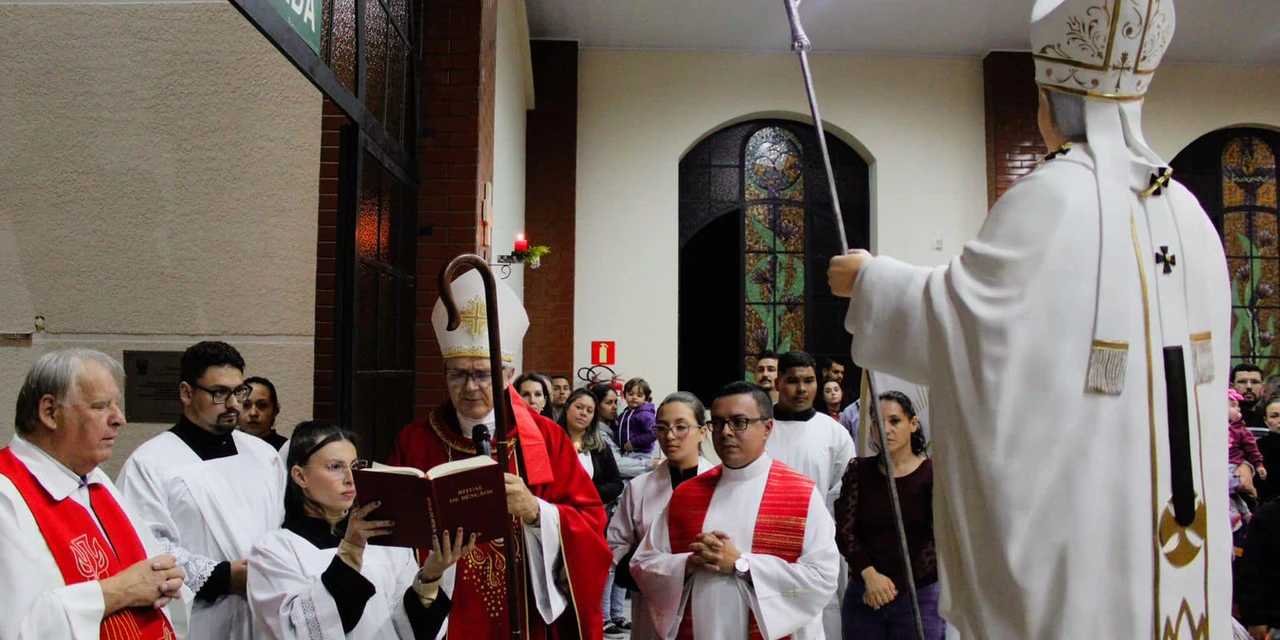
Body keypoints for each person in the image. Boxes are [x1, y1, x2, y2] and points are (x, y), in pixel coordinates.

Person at [826, 1, 1230, 636]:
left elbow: (966, 325)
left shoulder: (1052, 197)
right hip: (1175, 519)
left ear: (1051, 103)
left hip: (1083, 525)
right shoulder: (1186, 209)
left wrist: (870, 282)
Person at [387, 268, 611, 639]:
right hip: (444, 616)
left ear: (507, 375)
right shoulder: (416, 441)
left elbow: (592, 526)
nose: (470, 387)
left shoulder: (546, 439)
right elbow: (393, 534)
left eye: (482, 374)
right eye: (457, 375)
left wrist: (538, 512)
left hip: (524, 615)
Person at [0, 349, 190, 639]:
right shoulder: (7, 494)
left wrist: (168, 580)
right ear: (50, 412)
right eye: (101, 406)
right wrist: (119, 591)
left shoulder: (94, 479)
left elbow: (151, 571)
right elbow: (19, 626)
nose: (119, 419)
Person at [631, 381, 839, 639]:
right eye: (717, 423)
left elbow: (823, 577)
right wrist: (687, 563)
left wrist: (742, 564)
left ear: (767, 428)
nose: (725, 432)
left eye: (739, 422)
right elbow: (643, 564)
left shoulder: (801, 494)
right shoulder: (686, 495)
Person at [118, 341, 287, 640]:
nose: (234, 404)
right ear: (186, 392)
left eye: (239, 391)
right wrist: (222, 577)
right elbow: (142, 545)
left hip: (262, 616)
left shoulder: (265, 456)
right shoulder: (151, 463)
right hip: (198, 619)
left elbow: (281, 527)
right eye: (220, 393)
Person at [248, 421, 469, 639]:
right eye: (335, 467)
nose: (350, 478)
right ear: (300, 476)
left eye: (355, 466)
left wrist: (431, 575)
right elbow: (301, 632)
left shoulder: (387, 544)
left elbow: (409, 631)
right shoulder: (273, 551)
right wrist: (351, 549)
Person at [835, 392, 944, 640]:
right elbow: (845, 531)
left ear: (913, 424)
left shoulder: (934, 476)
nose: (885, 429)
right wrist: (870, 576)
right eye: (877, 422)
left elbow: (937, 537)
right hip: (865, 591)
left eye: (894, 421)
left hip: (919, 595)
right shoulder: (859, 471)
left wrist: (892, 586)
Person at [762, 350, 855, 638]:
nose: (802, 389)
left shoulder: (834, 432)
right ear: (778, 383)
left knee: (821, 625)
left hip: (818, 545)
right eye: (792, 381)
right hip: (766, 543)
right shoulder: (761, 429)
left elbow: (845, 492)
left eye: (809, 380)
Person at [606, 392, 713, 640]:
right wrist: (648, 570)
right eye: (662, 428)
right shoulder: (640, 487)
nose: (670, 436)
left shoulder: (721, 485)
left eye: (681, 427)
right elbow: (616, 546)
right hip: (652, 603)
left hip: (706, 600)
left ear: (703, 432)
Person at [558, 388, 625, 635]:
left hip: (590, 523)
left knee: (586, 587)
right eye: (579, 407)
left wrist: (587, 495)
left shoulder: (597, 445)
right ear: (567, 408)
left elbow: (616, 483)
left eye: (589, 410)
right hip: (559, 521)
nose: (583, 414)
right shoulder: (552, 439)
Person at [1231, 388, 1268, 497]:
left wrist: (1258, 464)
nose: (1238, 409)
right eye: (1233, 406)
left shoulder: (1241, 430)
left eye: (1238, 406)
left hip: (1235, 466)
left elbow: (1252, 449)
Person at [242, 375, 288, 450]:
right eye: (246, 405)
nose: (253, 413)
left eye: (262, 405)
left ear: (275, 411)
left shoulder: (286, 450)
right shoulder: (225, 448)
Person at [617, 377, 658, 460]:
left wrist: (634, 442)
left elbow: (654, 433)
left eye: (639, 395)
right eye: (631, 394)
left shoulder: (645, 414)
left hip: (642, 454)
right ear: (624, 395)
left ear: (645, 398)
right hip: (625, 453)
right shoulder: (624, 414)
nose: (634, 397)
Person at [1235, 364, 1268, 431]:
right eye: (1242, 382)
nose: (1249, 386)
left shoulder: (1270, 416)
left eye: (1255, 382)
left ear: (1263, 388)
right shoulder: (1222, 416)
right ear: (1231, 386)